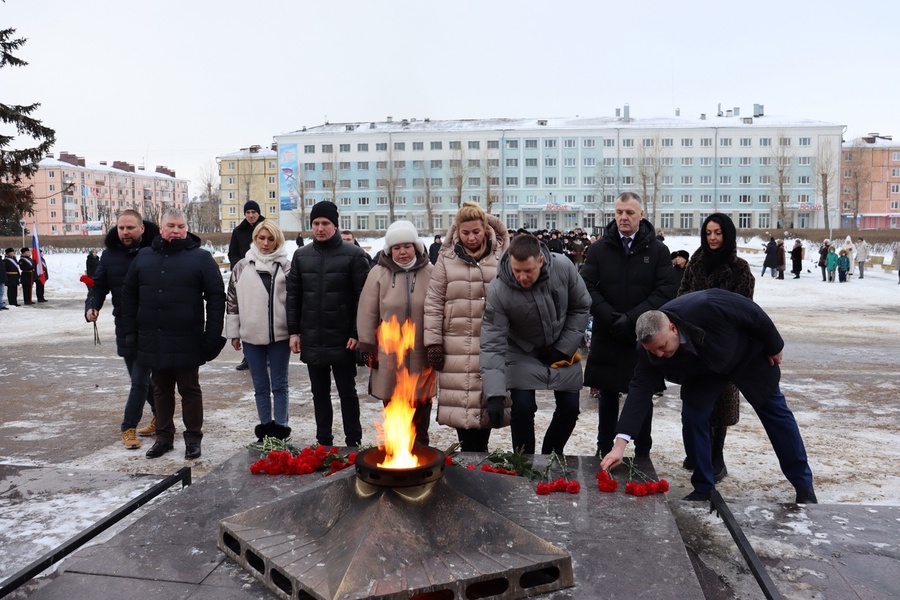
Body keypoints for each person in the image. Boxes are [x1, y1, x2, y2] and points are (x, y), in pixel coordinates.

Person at [600, 289, 817, 505]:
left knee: (775, 413)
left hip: (745, 354)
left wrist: (774, 345)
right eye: (652, 351)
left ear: (673, 328)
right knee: (693, 416)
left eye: (662, 347)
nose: (658, 355)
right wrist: (620, 445)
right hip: (703, 369)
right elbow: (639, 391)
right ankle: (703, 487)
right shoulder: (649, 349)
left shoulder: (706, 305)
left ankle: (803, 485)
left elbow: (752, 312)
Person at [121, 208, 226, 460]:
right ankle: (164, 437)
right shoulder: (143, 257)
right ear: (160, 226)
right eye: (171, 226)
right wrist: (130, 334)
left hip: (187, 338)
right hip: (153, 337)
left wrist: (212, 335)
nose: (176, 231)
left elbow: (216, 298)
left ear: (186, 228)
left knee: (189, 389)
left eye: (181, 226)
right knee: (160, 389)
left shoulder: (201, 258)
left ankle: (193, 439)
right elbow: (129, 297)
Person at [581, 192, 677, 457]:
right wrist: (607, 315)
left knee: (641, 395)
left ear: (641, 215)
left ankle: (642, 451)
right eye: (619, 212)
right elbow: (586, 285)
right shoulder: (599, 248)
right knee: (608, 396)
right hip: (608, 330)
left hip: (642, 336)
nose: (624, 217)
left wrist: (633, 319)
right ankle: (604, 449)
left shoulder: (657, 250)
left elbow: (666, 289)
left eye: (630, 212)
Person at [481, 233, 591, 455]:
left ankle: (552, 454)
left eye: (528, 271)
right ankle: (524, 460)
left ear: (540, 261)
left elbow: (581, 306)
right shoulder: (498, 289)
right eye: (517, 270)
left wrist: (564, 347)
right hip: (522, 350)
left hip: (561, 343)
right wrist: (494, 394)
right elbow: (493, 341)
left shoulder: (563, 268)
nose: (522, 277)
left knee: (570, 408)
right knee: (522, 408)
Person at [424, 202, 509, 452]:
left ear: (485, 229)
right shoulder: (446, 259)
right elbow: (434, 302)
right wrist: (433, 343)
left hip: (493, 344)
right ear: (457, 232)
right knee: (462, 406)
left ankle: (478, 458)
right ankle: (468, 459)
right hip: (456, 344)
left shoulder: (501, 256)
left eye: (476, 232)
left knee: (488, 406)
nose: (471, 238)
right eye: (465, 233)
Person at [677, 213, 755, 482]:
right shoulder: (695, 264)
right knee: (695, 401)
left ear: (728, 235)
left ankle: (716, 456)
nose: (712, 237)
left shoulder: (740, 269)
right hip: (695, 345)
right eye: (708, 232)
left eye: (718, 232)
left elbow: (744, 309)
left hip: (725, 347)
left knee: (720, 404)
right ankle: (697, 451)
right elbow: (682, 298)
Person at [286, 201, 370, 447]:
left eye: (325, 223)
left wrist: (357, 332)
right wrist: (294, 332)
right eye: (316, 223)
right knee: (319, 394)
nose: (320, 228)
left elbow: (363, 298)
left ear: (335, 225)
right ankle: (324, 442)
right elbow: (294, 297)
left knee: (347, 393)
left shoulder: (354, 255)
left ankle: (353, 441)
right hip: (313, 337)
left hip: (344, 338)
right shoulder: (301, 256)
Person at [86, 210, 160, 449]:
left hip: (152, 326)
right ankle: (161, 416)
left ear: (142, 229)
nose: (125, 232)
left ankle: (128, 427)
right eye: (121, 228)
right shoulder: (109, 256)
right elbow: (98, 287)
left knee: (139, 379)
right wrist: (92, 306)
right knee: (140, 379)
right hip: (125, 325)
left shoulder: (156, 251)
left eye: (130, 228)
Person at [357, 220, 435, 445]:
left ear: (416, 247)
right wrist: (368, 346)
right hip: (389, 356)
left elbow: (440, 310)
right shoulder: (378, 274)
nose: (402, 252)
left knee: (421, 416)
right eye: (397, 247)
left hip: (422, 356)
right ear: (389, 250)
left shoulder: (431, 273)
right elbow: (367, 311)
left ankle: (420, 454)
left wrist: (437, 344)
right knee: (394, 415)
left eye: (407, 246)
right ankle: (395, 455)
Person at [226, 220, 293, 442]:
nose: (265, 243)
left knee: (280, 384)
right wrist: (234, 332)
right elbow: (232, 301)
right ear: (255, 239)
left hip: (280, 336)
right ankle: (265, 427)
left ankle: (281, 428)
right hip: (251, 336)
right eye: (261, 238)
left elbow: (294, 301)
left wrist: (295, 332)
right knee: (260, 385)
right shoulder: (242, 266)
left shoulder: (286, 266)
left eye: (270, 239)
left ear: (277, 241)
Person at [228, 200, 265, 371]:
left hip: (265, 274)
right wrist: (240, 266)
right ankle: (248, 357)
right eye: (248, 212)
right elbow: (232, 253)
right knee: (245, 315)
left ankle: (266, 353)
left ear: (258, 213)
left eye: (254, 212)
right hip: (245, 276)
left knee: (263, 314)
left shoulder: (267, 227)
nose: (251, 215)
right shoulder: (238, 231)